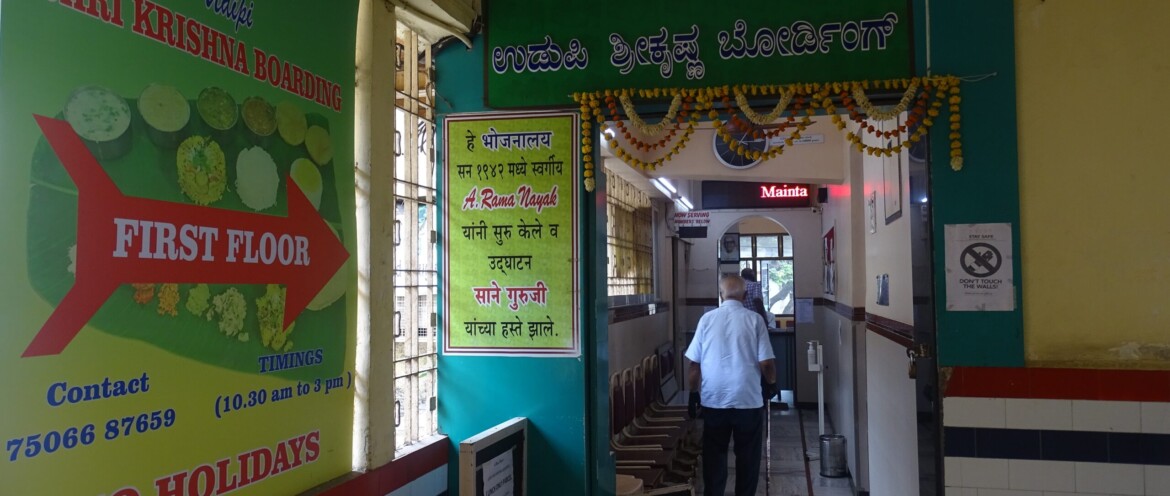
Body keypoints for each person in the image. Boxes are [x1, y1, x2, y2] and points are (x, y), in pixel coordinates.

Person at [685, 274, 777, 496]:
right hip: (748, 401)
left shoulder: (706, 320)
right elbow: (766, 363)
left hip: (714, 401)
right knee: (748, 459)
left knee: (714, 458)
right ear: (744, 295)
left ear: (721, 295)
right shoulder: (755, 320)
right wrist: (771, 384)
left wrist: (693, 394)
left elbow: (694, 365)